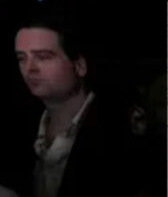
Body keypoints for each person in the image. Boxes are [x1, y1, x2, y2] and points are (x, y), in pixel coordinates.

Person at [12, 13, 137, 197]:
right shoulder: (18, 125)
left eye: (43, 57)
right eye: (22, 58)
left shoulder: (119, 127)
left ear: (79, 66)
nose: (29, 69)